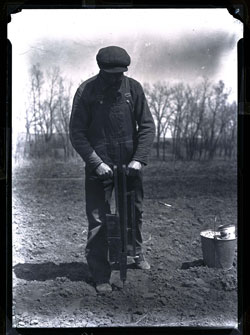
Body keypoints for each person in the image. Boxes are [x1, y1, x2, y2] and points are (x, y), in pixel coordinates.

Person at [69, 46, 155, 293]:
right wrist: (96, 162)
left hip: (130, 166)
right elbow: (77, 132)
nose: (116, 78)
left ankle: (135, 253)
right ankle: (100, 274)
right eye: (111, 74)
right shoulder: (86, 91)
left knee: (134, 211)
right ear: (101, 70)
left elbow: (147, 126)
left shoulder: (133, 89)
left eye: (120, 73)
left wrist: (138, 159)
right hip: (100, 166)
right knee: (98, 219)